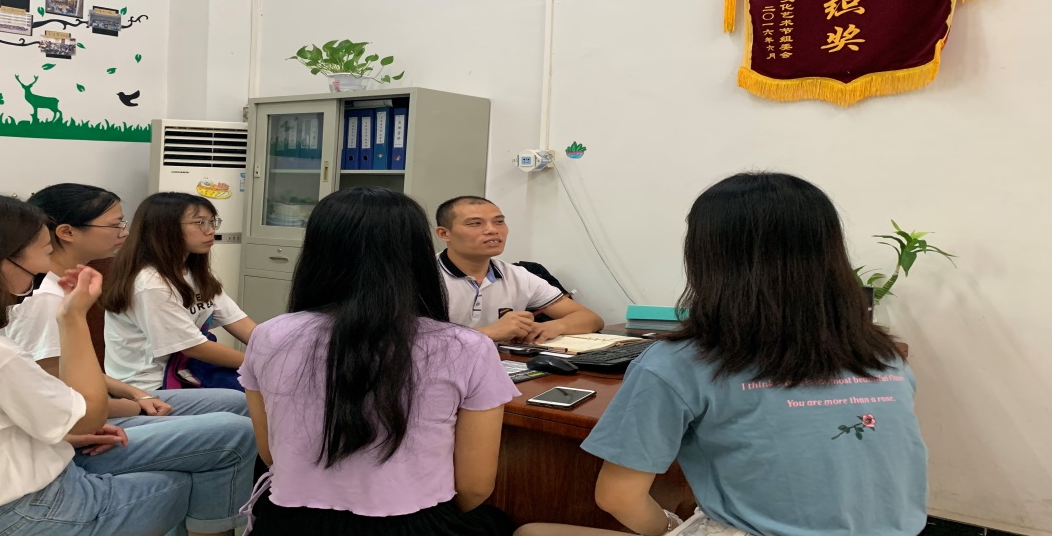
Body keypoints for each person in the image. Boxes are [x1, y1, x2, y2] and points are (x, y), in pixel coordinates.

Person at [516, 173, 928, 536]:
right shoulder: (883, 355)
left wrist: (673, 529)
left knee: (532, 531)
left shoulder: (679, 363)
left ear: (706, 255)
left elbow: (617, 497)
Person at [0, 192, 256, 536]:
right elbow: (88, 416)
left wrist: (73, 427)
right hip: (18, 513)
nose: (35, 284)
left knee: (218, 435)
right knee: (202, 465)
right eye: (35, 273)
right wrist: (73, 319)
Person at [239, 187, 520, 536]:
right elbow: (474, 487)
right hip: (416, 523)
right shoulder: (468, 347)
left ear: (316, 253)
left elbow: (270, 453)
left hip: (289, 522)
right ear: (418, 255)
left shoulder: (269, 335)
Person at [5, 183, 249, 427]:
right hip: (78, 418)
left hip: (110, 399)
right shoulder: (44, 298)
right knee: (235, 427)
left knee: (238, 401)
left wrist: (133, 394)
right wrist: (134, 403)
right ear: (67, 232)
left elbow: (67, 369)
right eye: (115, 225)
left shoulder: (64, 285)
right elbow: (54, 386)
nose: (125, 232)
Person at [101, 191, 257, 392]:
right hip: (149, 386)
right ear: (165, 228)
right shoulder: (151, 283)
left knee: (269, 387)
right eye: (200, 223)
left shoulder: (194, 273)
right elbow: (194, 348)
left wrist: (279, 351)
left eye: (212, 222)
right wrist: (261, 363)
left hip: (189, 371)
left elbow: (242, 325)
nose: (211, 231)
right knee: (248, 396)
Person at [435, 196, 603, 343]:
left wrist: (553, 326)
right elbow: (420, 340)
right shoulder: (424, 275)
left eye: (499, 222)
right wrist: (489, 333)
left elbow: (591, 319)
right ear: (444, 234)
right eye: (475, 224)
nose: (492, 230)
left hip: (501, 365)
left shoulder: (518, 276)